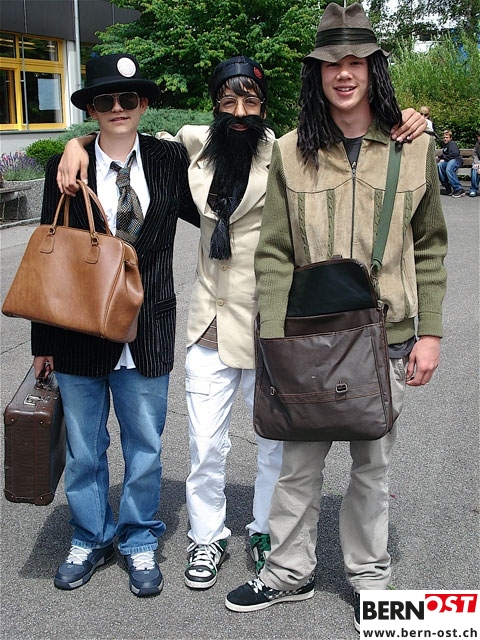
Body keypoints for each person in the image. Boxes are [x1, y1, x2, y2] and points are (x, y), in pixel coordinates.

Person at [57, 56, 427, 592]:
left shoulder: (290, 150)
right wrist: (78, 143)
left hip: (269, 321)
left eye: (250, 102)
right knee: (206, 445)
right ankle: (206, 536)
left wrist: (413, 118)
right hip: (208, 321)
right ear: (214, 106)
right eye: (227, 101)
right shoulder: (193, 145)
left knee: (275, 443)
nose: (238, 112)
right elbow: (125, 136)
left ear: (264, 106)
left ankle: (264, 531)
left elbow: (353, 143)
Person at [224, 4, 447, 633]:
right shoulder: (290, 151)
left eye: (356, 62)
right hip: (308, 338)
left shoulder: (413, 146)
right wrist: (272, 337)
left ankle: (371, 580)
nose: (343, 74)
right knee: (298, 466)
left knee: (372, 468)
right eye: (331, 64)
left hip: (385, 336)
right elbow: (273, 252)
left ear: (374, 70)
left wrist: (430, 333)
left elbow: (430, 246)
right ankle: (288, 573)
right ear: (316, 75)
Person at [32, 53, 199, 597]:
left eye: (128, 98)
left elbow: (224, 177)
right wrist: (42, 342)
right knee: (84, 449)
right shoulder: (67, 172)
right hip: (77, 331)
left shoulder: (169, 161)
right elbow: (47, 261)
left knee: (145, 447)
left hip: (147, 329)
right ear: (93, 110)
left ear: (144, 103)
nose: (118, 108)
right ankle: (89, 535)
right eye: (106, 100)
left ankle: (139, 536)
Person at [437, 129, 465, 197]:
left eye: (447, 137)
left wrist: (444, 159)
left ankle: (459, 189)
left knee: (449, 168)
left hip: (456, 160)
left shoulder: (452, 143)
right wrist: (439, 157)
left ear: (450, 138)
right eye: (444, 137)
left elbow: (454, 154)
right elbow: (445, 154)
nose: (445, 139)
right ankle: (447, 186)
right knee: (439, 165)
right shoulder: (445, 145)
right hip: (449, 161)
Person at [468, 129, 480, 197]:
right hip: (479, 162)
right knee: (474, 167)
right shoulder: (477, 144)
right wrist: (477, 163)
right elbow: (474, 154)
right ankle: (473, 189)